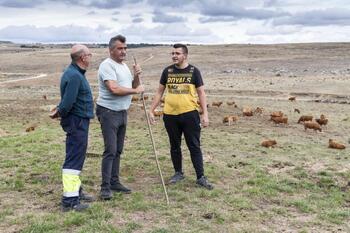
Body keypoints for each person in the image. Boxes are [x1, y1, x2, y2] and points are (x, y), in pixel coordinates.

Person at [149, 43, 213, 190]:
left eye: (177, 53)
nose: (174, 56)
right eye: (172, 53)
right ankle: (178, 173)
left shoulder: (193, 71)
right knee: (174, 146)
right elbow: (159, 92)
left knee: (194, 146)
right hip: (170, 115)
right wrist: (152, 110)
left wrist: (205, 114)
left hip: (190, 114)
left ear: (185, 55)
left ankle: (200, 177)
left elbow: (201, 93)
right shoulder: (167, 71)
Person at [96, 35, 144, 200]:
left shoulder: (123, 66)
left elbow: (132, 86)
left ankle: (114, 182)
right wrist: (136, 91)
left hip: (122, 112)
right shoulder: (106, 66)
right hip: (108, 112)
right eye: (120, 48)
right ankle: (105, 188)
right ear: (111, 50)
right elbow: (114, 89)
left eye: (125, 48)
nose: (123, 51)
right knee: (110, 150)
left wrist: (136, 75)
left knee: (118, 150)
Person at [50, 44, 95, 211]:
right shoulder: (75, 76)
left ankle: (76, 191)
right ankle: (70, 202)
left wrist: (59, 111)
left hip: (78, 121)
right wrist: (60, 112)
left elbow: (68, 99)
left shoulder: (74, 73)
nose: (91, 56)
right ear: (83, 57)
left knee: (76, 157)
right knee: (73, 160)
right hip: (77, 122)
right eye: (90, 54)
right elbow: (68, 102)